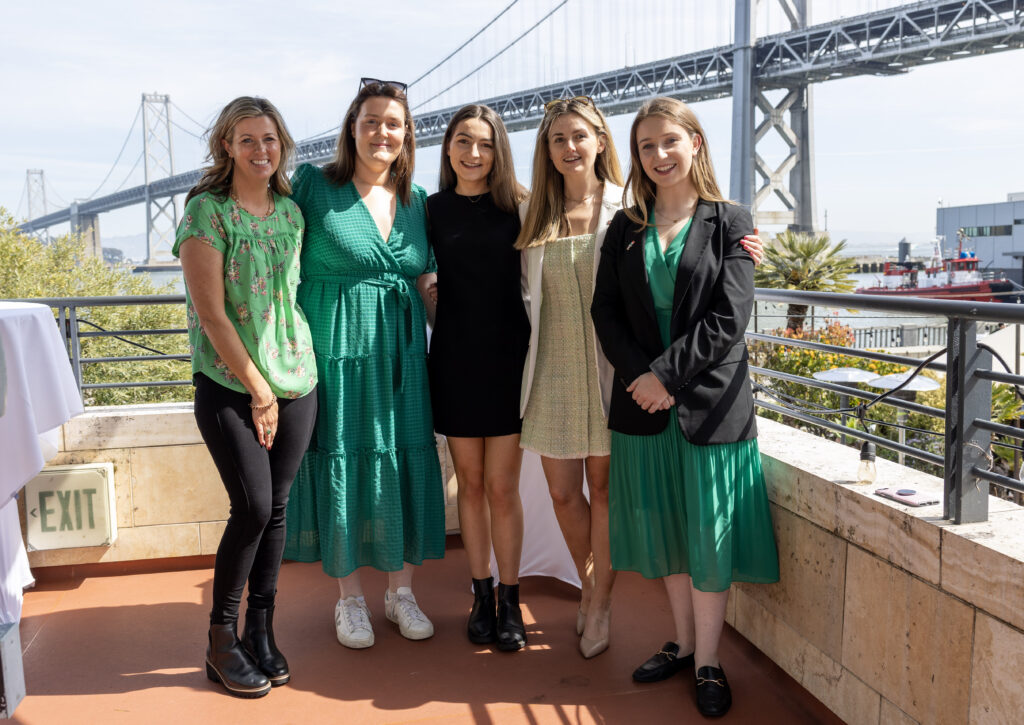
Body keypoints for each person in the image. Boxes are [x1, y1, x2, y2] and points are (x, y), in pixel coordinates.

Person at [516, 96, 765, 660]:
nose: (570, 147)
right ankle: (595, 588)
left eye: (580, 135)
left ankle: (604, 601)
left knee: (616, 497)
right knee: (565, 493)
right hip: (573, 372)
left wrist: (656, 377)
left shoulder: (630, 209)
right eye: (558, 139)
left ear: (601, 141)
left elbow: (725, 311)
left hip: (620, 381)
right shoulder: (535, 213)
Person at [591, 96, 780, 718]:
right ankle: (680, 643)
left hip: (709, 406)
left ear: (694, 143)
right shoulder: (625, 227)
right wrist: (641, 378)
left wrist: (664, 377)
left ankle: (708, 661)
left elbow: (730, 318)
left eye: (670, 141)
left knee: (709, 536)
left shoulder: (731, 221)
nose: (659, 155)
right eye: (646, 146)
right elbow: (606, 312)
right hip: (643, 406)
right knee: (669, 529)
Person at [283, 79, 445, 650]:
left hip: (402, 353)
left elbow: (426, 278)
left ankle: (401, 592)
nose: (382, 132)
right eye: (371, 121)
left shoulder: (419, 200)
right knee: (342, 458)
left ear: (406, 136)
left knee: (403, 458)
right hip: (335, 351)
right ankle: (349, 599)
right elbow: (270, 240)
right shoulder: (313, 186)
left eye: (394, 123)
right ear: (351, 128)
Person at [174, 96, 318, 698]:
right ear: (226, 147)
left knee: (278, 506)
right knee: (253, 507)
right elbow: (211, 313)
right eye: (249, 139)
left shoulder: (290, 212)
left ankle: (261, 629)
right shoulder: (207, 213)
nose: (262, 150)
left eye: (271, 139)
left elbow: (285, 296)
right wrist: (258, 389)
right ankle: (220, 639)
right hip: (231, 384)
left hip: (298, 375)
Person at [426, 104, 531, 650]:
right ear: (447, 147)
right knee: (468, 484)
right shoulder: (430, 209)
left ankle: (511, 600)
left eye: (485, 144)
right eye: (463, 141)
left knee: (501, 486)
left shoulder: (521, 206)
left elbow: (586, 228)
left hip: (510, 360)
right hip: (455, 359)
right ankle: (481, 593)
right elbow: (417, 274)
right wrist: (428, 299)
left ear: (499, 150)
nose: (473, 153)